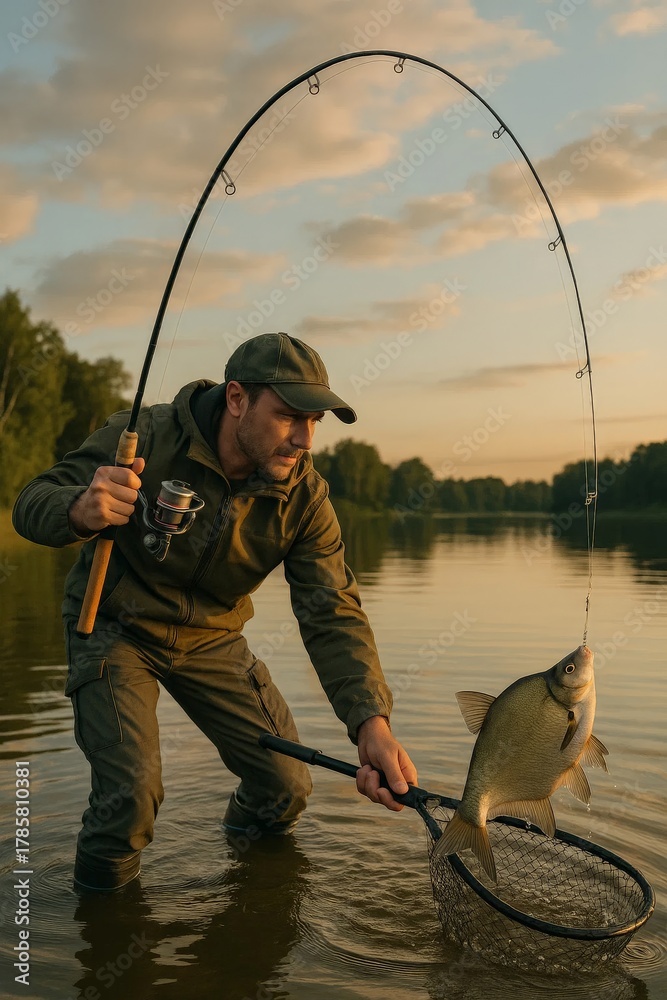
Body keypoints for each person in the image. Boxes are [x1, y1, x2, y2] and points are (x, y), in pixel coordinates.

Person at [12, 332, 418, 892]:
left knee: (286, 789)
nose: (303, 438)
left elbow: (331, 612)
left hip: (213, 640)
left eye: (314, 421)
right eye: (288, 416)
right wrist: (79, 510)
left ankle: (249, 888)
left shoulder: (306, 500)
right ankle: (102, 931)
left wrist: (370, 721)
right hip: (115, 629)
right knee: (130, 798)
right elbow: (31, 502)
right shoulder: (146, 434)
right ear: (236, 400)